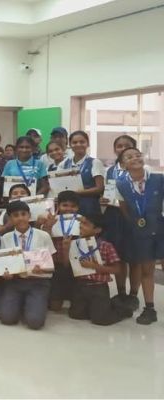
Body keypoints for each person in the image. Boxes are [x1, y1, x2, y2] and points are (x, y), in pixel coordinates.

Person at [115, 147, 162, 325]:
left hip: (161, 227)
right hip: (142, 232)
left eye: (137, 155)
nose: (135, 158)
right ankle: (149, 308)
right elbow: (124, 209)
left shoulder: (158, 178)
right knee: (147, 271)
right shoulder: (121, 184)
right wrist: (138, 224)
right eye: (129, 157)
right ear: (123, 164)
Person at [0, 201, 56, 330]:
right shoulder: (5, 238)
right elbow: (4, 264)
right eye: (15, 215)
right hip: (14, 282)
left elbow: (51, 264)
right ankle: (23, 304)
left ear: (29, 215)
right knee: (7, 319)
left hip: (38, 282)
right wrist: (6, 273)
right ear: (10, 219)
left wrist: (43, 268)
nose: (20, 218)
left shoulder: (43, 235)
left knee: (35, 322)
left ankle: (34, 305)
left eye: (23, 214)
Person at [68, 213, 134, 325]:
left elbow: (117, 269)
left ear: (97, 230)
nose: (81, 226)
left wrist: (95, 267)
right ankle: (99, 306)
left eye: (85, 224)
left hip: (98, 286)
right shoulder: (75, 244)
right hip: (80, 285)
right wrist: (66, 248)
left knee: (100, 319)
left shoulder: (105, 246)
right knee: (75, 314)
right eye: (81, 223)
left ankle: (122, 310)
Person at [101, 135, 137, 309]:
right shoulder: (110, 170)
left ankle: (134, 295)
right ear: (115, 149)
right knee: (118, 256)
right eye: (119, 146)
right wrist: (104, 200)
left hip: (133, 216)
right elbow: (109, 193)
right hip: (113, 216)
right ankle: (121, 292)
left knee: (134, 258)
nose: (122, 149)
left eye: (126, 145)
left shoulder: (141, 170)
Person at [58, 131, 105, 216]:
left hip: (89, 206)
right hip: (68, 208)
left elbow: (100, 188)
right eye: (74, 142)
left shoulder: (95, 162)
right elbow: (58, 186)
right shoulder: (63, 164)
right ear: (70, 145)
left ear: (88, 144)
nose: (78, 144)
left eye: (82, 142)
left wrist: (77, 192)